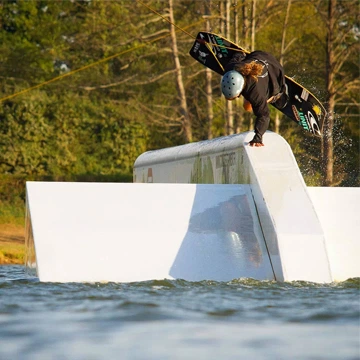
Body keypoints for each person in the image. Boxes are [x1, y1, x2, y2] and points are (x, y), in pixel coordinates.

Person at [221, 50, 288, 147]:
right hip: (260, 54)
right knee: (247, 105)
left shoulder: (255, 94)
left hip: (276, 73)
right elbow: (237, 55)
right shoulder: (231, 67)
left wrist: (258, 137)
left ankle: (278, 95)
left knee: (248, 107)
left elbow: (264, 116)